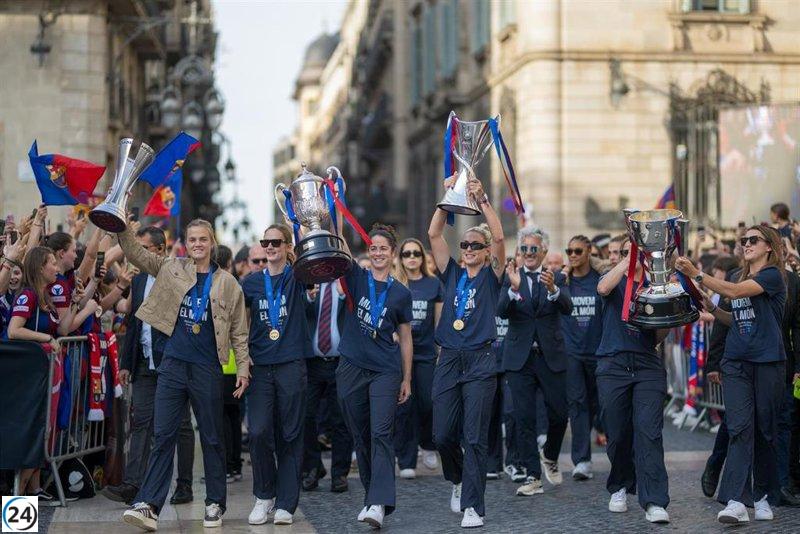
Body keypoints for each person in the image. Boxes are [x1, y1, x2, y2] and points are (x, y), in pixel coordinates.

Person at [118, 218, 251, 531]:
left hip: (207, 367)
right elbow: (137, 254)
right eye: (192, 240)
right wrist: (119, 223)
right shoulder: (172, 268)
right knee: (163, 435)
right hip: (173, 364)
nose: (198, 245)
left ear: (211, 242)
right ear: (186, 243)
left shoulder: (227, 283)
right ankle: (150, 505)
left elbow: (238, 331)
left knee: (212, 436)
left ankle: (215, 503)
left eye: (203, 240)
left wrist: (243, 367)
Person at [676, 225, 788, 524]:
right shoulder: (739, 277)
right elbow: (732, 318)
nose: (747, 244)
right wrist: (708, 303)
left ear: (769, 247)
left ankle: (763, 495)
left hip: (767, 362)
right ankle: (737, 500)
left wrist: (698, 273)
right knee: (739, 427)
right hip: (736, 362)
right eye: (744, 240)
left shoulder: (773, 276)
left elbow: (737, 293)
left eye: (753, 240)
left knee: (764, 430)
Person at [428, 175, 505, 528]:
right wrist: (450, 196)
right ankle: (457, 479)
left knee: (474, 436)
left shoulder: (491, 276)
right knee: (442, 434)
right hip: (449, 358)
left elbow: (501, 236)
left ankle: (473, 505)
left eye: (475, 245)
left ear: (486, 252)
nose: (469, 249)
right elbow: (433, 234)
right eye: (466, 245)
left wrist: (482, 199)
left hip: (481, 359)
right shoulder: (452, 273)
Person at [102, 227, 195, 506]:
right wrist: (127, 362)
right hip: (144, 364)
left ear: (159, 250)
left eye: (141, 248)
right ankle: (133, 484)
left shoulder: (178, 275)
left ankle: (184, 484)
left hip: (172, 363)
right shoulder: (139, 279)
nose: (136, 253)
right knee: (141, 423)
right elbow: (133, 323)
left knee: (179, 425)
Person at [333, 222, 412, 529]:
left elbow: (406, 338)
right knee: (360, 435)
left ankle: (379, 503)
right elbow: (340, 242)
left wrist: (406, 378)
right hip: (351, 367)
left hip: (385, 370)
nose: (378, 253)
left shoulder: (401, 294)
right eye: (374, 248)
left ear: (393, 254)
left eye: (384, 248)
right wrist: (334, 200)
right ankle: (371, 497)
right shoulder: (356, 277)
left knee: (381, 433)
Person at [596, 236, 671, 524]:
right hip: (613, 364)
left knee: (649, 432)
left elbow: (660, 335)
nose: (633, 255)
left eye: (637, 251)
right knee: (617, 434)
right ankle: (620, 485)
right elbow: (602, 288)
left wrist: (663, 320)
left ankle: (654, 500)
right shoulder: (613, 280)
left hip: (646, 365)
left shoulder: (656, 284)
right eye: (627, 251)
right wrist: (626, 262)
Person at [241, 224, 312, 526]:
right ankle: (263, 495)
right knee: (257, 432)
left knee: (290, 434)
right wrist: (242, 361)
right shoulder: (250, 283)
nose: (269, 247)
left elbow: (315, 258)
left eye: (276, 242)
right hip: (260, 366)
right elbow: (240, 325)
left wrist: (304, 225)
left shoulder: (297, 277)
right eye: (265, 242)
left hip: (291, 364)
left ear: (286, 247)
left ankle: (286, 502)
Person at [7, 246, 86, 503]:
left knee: (47, 432)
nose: (57, 268)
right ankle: (18, 501)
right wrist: (46, 338)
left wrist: (74, 303)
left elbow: (63, 329)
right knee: (35, 436)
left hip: (48, 376)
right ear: (41, 267)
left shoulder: (47, 297)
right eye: (52, 263)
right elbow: (13, 331)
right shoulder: (28, 296)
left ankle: (33, 491)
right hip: (29, 382)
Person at [498, 227, 572, 497]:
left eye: (533, 249)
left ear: (543, 252)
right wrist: (512, 289)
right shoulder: (512, 277)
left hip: (550, 356)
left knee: (559, 413)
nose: (528, 254)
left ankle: (550, 455)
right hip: (519, 358)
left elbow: (567, 307)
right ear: (520, 252)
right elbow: (500, 311)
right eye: (524, 249)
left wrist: (553, 288)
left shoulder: (556, 277)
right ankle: (532, 475)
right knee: (524, 417)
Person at [393, 238, 444, 478]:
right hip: (399, 354)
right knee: (404, 406)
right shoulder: (395, 284)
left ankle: (429, 444)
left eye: (416, 253)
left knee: (428, 402)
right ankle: (406, 460)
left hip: (425, 353)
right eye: (406, 254)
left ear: (423, 257)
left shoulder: (434, 284)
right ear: (400, 258)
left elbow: (439, 321)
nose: (411, 257)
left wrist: (440, 352)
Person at [302, 277, 352, 493]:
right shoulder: (309, 283)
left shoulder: (348, 283)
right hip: (312, 363)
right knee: (305, 416)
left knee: (341, 419)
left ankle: (339, 473)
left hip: (341, 363)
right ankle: (312, 467)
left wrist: (346, 292)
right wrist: (306, 296)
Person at [562, 235, 605, 481]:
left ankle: (617, 450)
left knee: (602, 405)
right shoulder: (563, 282)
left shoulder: (599, 281)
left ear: (589, 251)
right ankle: (582, 460)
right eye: (569, 251)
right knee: (577, 405)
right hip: (572, 353)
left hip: (598, 351)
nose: (573, 255)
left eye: (578, 250)